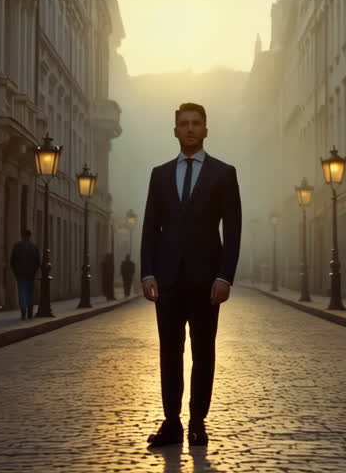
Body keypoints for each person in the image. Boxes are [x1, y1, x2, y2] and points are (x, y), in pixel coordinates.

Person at [141, 102, 241, 448]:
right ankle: (172, 422)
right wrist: (147, 272)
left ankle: (198, 421)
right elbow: (150, 227)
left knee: (203, 351)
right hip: (167, 281)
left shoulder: (224, 173)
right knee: (169, 352)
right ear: (175, 130)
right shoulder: (160, 174)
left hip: (206, 281)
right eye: (183, 123)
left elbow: (234, 228)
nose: (189, 129)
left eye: (196, 123)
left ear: (206, 129)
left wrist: (225, 276)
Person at [10, 229, 40, 320]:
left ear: (22, 236)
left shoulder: (17, 246)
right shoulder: (33, 247)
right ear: (29, 236)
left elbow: (12, 262)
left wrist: (16, 272)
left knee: (22, 293)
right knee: (30, 293)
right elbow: (38, 262)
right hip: (30, 274)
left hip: (20, 274)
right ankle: (30, 312)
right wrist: (34, 272)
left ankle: (23, 312)